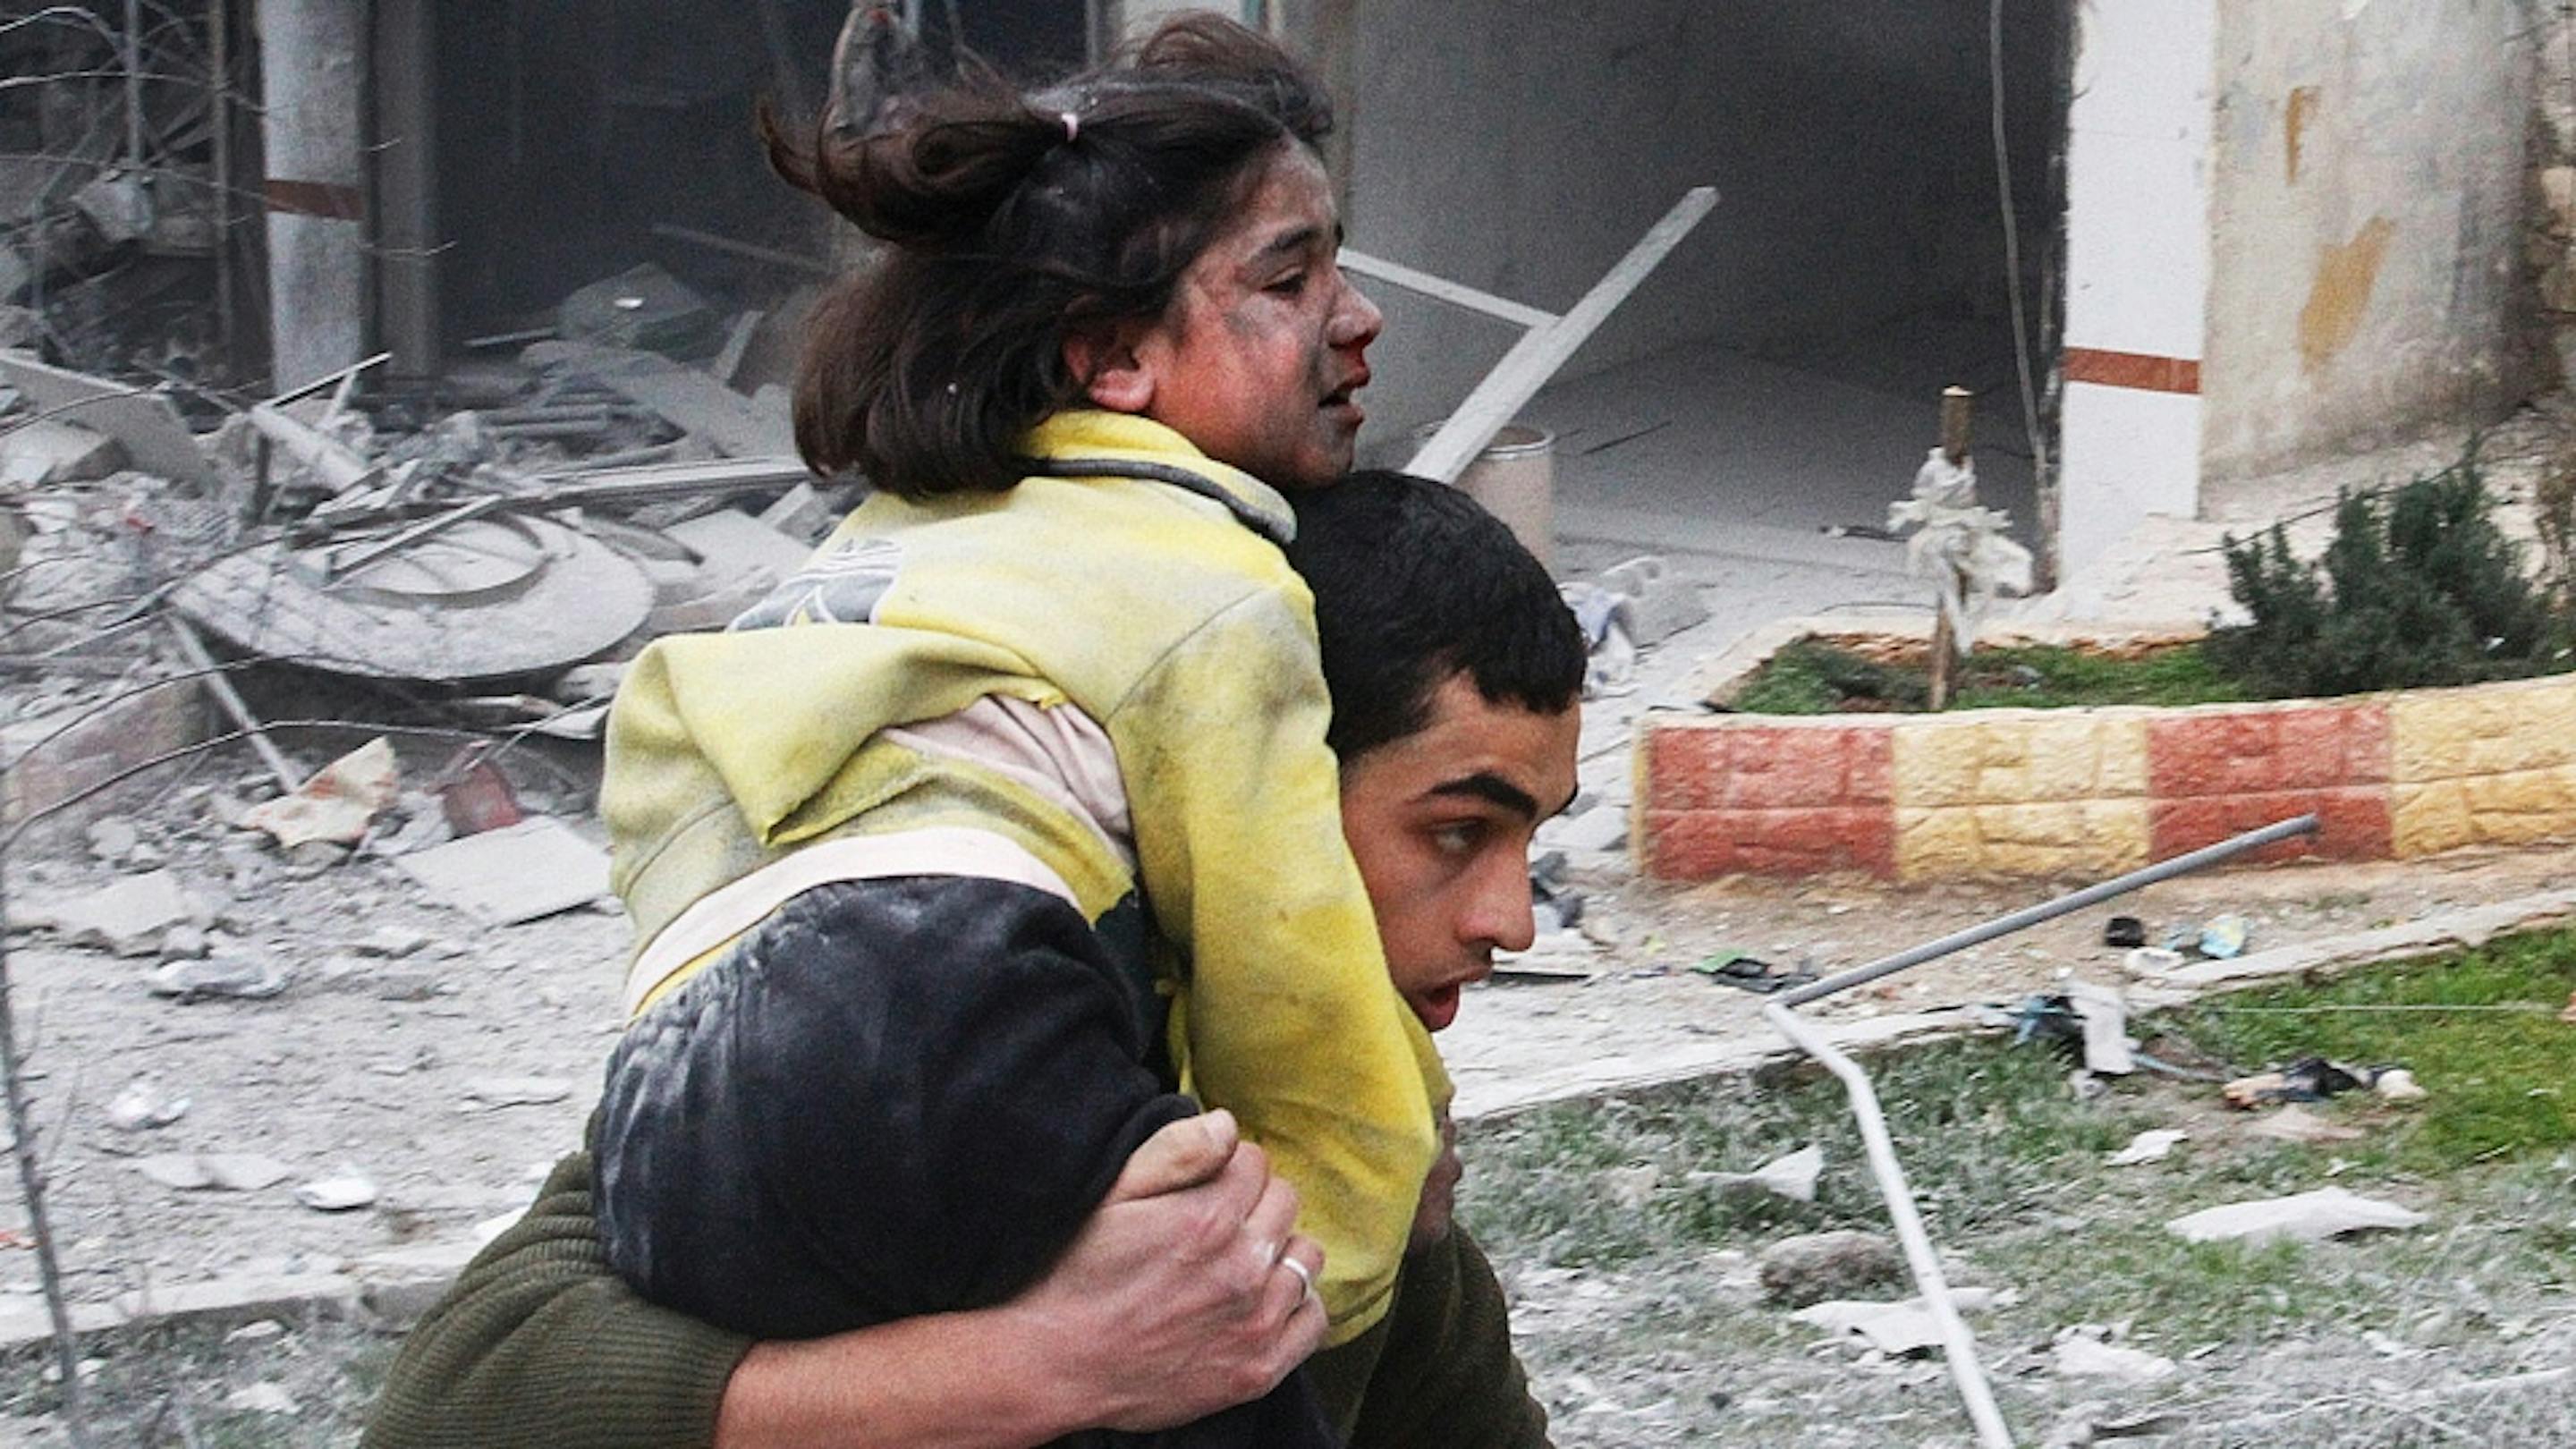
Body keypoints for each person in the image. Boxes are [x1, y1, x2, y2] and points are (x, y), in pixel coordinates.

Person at [591, 21, 1436, 1442]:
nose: (1357, 318)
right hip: (939, 1019)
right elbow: (1282, 974)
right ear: (1109, 358)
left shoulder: (870, 557)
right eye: (1290, 277)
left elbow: (665, 793)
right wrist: (1331, 1260)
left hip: (662, 1124)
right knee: (1211, 1348)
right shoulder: (1205, 579)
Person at [362, 472, 1584, 1449]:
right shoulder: (950, 1022)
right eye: (1458, 832)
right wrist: (1039, 1366)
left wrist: (1368, 1249)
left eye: (1533, 838)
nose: (1508, 919)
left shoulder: (1357, 1133)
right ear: (1268, 797)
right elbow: (458, 1402)